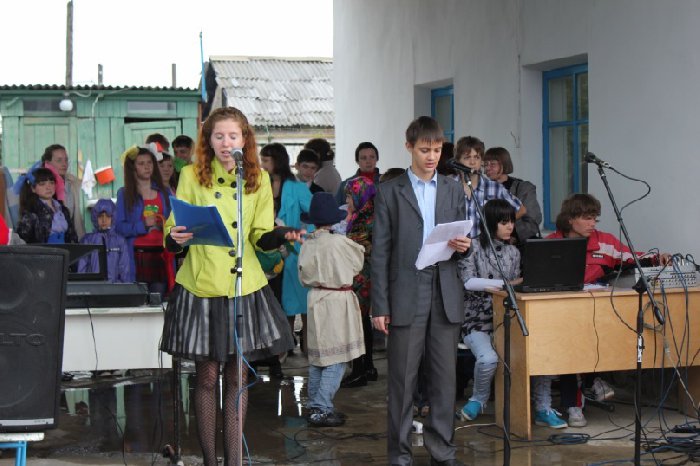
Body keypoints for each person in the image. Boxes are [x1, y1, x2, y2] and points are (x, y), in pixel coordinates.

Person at [160, 106, 297, 466]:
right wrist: (174, 237)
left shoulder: (258, 178)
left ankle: (234, 461)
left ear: (244, 139)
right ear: (208, 140)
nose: (225, 142)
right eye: (218, 136)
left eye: (232, 136)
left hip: (243, 286)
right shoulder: (191, 175)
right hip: (202, 284)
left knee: (238, 375)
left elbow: (260, 235)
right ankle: (210, 460)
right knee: (207, 377)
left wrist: (280, 235)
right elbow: (173, 228)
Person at [372, 116, 471, 466]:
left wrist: (465, 246)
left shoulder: (453, 188)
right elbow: (380, 251)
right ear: (409, 147)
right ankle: (400, 455)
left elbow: (463, 240)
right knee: (402, 380)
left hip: (445, 288)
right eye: (425, 150)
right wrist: (379, 305)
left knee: (445, 379)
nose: (431, 157)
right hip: (406, 291)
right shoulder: (390, 191)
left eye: (437, 150)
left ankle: (443, 451)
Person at [533, 193, 672, 429]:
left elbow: (633, 257)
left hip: (593, 315)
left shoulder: (605, 242)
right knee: (568, 349)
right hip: (556, 316)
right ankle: (576, 399)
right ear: (570, 219)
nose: (593, 224)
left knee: (592, 343)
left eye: (595, 219)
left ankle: (585, 389)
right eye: (587, 218)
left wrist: (658, 258)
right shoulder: (550, 243)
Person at [298, 192, 365, 427]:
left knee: (319, 357)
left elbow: (302, 275)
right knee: (337, 357)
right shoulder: (340, 242)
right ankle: (321, 407)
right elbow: (357, 263)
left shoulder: (308, 243)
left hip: (316, 297)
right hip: (337, 300)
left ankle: (314, 405)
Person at [455, 199, 521, 422]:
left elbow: (516, 287)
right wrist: (506, 284)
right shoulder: (472, 247)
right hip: (476, 318)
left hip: (507, 317)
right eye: (504, 222)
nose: (510, 226)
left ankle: (533, 406)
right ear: (490, 223)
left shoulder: (513, 252)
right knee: (488, 359)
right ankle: (478, 400)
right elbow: (468, 281)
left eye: (511, 221)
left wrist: (509, 285)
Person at [260, 143, 313, 356]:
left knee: (297, 303)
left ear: (277, 161)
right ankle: (279, 350)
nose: (262, 164)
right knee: (275, 303)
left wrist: (302, 235)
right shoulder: (259, 185)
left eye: (266, 160)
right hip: (265, 251)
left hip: (291, 252)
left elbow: (315, 215)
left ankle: (302, 346)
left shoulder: (296, 187)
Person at [115, 145, 171, 294]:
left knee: (159, 300)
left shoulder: (165, 192)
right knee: (138, 300)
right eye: (141, 163)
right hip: (136, 255)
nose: (147, 167)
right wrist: (143, 225)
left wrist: (166, 225)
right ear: (132, 168)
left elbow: (176, 221)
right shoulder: (124, 194)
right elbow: (119, 227)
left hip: (161, 254)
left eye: (149, 162)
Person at [340, 176, 378, 388]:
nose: (347, 200)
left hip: (364, 276)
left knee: (358, 323)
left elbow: (372, 248)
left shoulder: (369, 220)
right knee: (361, 322)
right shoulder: (358, 216)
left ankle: (360, 370)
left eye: (349, 196)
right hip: (357, 275)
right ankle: (367, 367)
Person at [453, 136, 524, 239]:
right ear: (458, 161)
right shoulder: (448, 187)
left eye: (476, 157)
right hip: (456, 246)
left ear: (481, 161)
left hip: (485, 246)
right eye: (467, 157)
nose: (472, 162)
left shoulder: (495, 188)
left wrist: (499, 228)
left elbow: (520, 209)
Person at [483, 147, 542, 245]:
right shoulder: (482, 188)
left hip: (519, 244)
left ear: (504, 164)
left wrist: (512, 235)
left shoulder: (523, 188)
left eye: (493, 164)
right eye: (485, 164)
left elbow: (533, 219)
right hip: (489, 244)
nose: (488, 168)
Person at [16, 166, 78, 244]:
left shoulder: (63, 210)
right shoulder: (31, 213)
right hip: (43, 251)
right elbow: (22, 242)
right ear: (33, 188)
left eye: (51, 183)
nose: (48, 187)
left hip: (65, 251)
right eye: (42, 184)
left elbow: (72, 237)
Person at [77, 198, 130, 283]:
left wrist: (121, 288)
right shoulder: (87, 240)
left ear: (113, 217)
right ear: (95, 217)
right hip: (93, 288)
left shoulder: (120, 241)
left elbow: (124, 270)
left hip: (114, 288)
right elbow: (81, 269)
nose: (104, 220)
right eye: (100, 216)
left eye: (108, 216)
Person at [41, 144, 85, 239]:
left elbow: (76, 220)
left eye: (66, 160)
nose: (64, 164)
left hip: (70, 240)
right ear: (47, 163)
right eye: (59, 160)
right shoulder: (38, 187)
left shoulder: (73, 184)